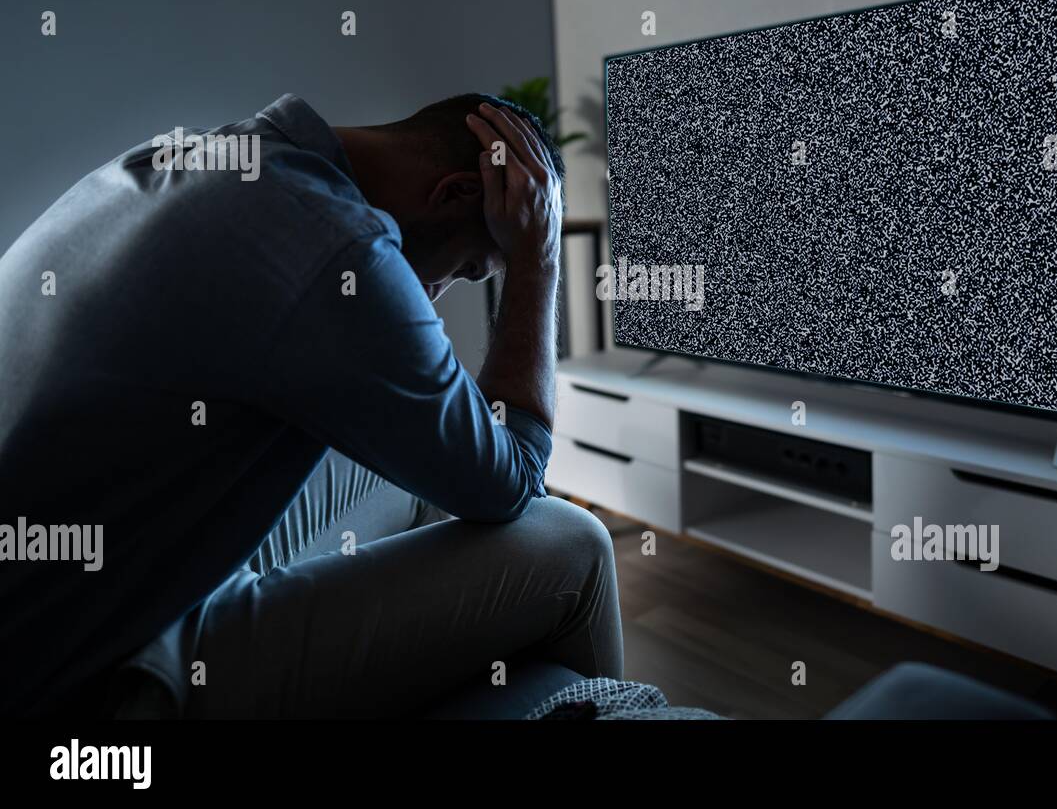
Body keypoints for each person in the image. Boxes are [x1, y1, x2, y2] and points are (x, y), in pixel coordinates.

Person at [0, 93, 623, 718]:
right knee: (575, 543)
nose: (434, 296)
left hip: (79, 592)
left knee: (419, 473)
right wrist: (537, 257)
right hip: (100, 678)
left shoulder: (202, 155)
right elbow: (513, 477)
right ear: (455, 193)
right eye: (468, 266)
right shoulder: (337, 244)